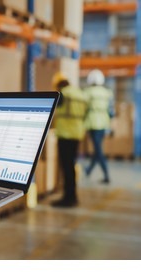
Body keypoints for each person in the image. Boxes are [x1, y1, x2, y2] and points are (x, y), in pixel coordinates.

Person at [51, 72, 89, 208]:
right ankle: (73, 196)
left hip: (65, 134)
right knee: (71, 166)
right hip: (77, 133)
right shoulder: (80, 93)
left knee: (66, 167)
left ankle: (68, 198)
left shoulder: (63, 94)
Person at [84, 69, 114, 184]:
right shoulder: (107, 92)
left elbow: (84, 108)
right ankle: (89, 170)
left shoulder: (88, 92)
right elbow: (111, 111)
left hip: (92, 123)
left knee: (98, 150)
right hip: (103, 124)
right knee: (97, 149)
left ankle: (106, 175)